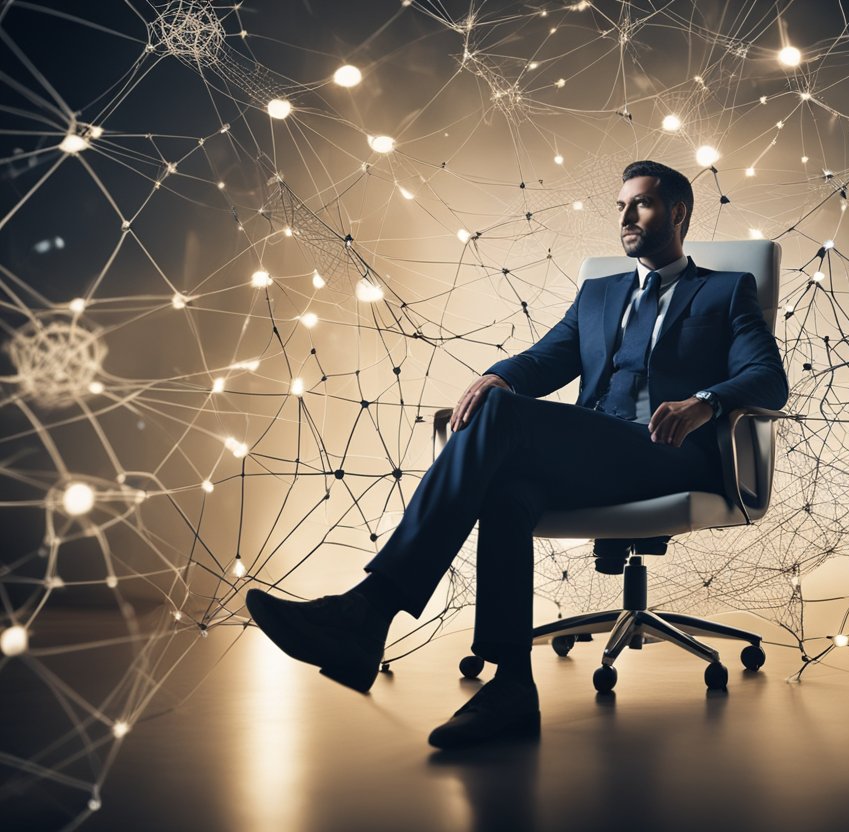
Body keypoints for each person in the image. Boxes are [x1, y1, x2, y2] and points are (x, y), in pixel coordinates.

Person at [246, 160, 788, 749]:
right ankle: (511, 687)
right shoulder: (600, 293)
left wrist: (704, 402)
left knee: (501, 420)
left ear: (678, 212)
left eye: (643, 204)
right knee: (507, 490)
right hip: (594, 450)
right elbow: (543, 359)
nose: (627, 217)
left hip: (667, 453)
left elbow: (768, 379)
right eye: (622, 206)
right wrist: (496, 376)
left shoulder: (725, 290)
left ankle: (368, 610)